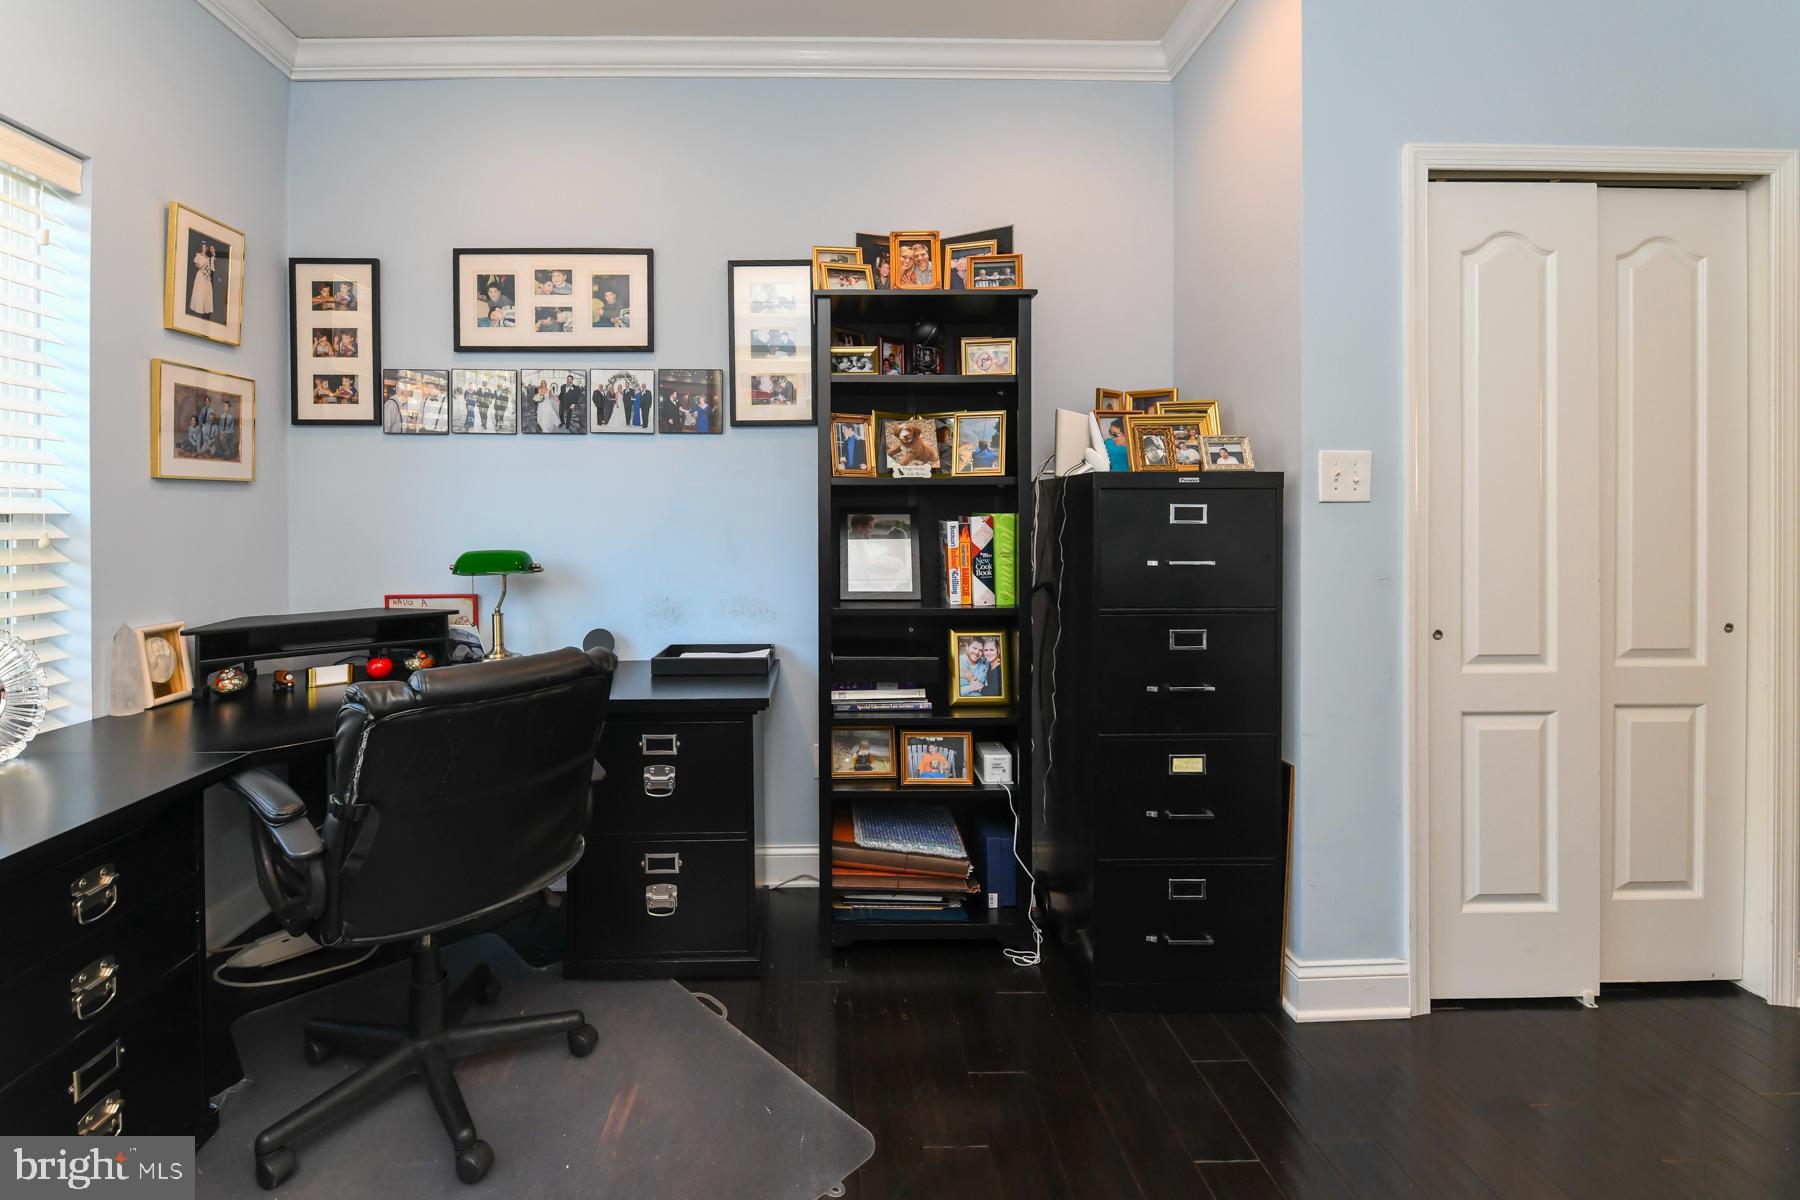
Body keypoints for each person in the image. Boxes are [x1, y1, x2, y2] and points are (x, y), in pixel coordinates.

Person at [188, 241, 216, 318]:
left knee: (206, 290)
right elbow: (196, 264)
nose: (204, 248)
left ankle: (205, 308)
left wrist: (207, 269)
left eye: (205, 247)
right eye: (203, 247)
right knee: (199, 290)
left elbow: (209, 266)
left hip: (206, 275)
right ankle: (198, 307)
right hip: (200, 274)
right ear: (201, 248)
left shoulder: (207, 257)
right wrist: (202, 267)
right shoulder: (198, 255)